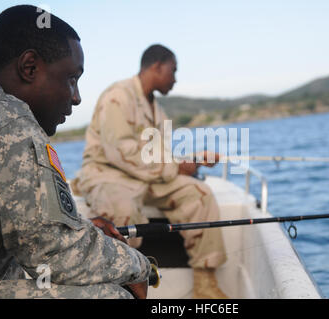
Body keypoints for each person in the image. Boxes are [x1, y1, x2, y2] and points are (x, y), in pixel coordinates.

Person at [0, 5, 150, 299]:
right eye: (71, 78)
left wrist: (80, 229)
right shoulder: (6, 121)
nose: (76, 97)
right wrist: (142, 267)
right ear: (29, 67)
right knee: (114, 295)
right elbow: (55, 254)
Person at [72, 44, 228, 299]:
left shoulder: (159, 112)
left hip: (147, 177)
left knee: (199, 194)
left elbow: (158, 157)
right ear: (156, 67)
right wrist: (176, 166)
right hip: (108, 173)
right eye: (173, 71)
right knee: (121, 209)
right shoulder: (117, 97)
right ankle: (121, 288)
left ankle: (205, 284)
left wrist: (193, 161)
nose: (175, 79)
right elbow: (122, 152)